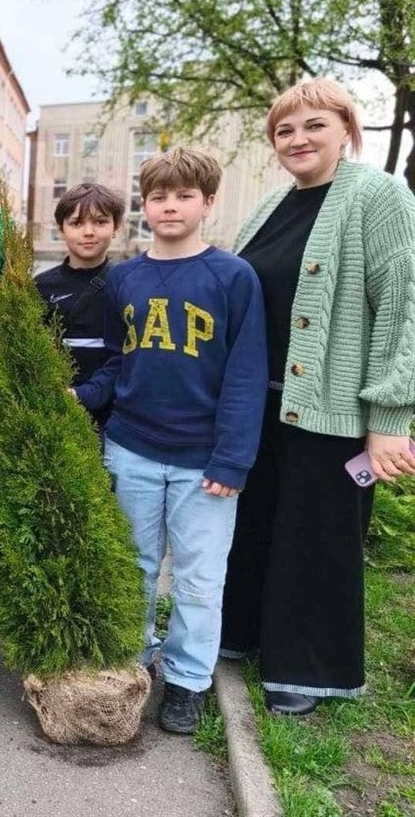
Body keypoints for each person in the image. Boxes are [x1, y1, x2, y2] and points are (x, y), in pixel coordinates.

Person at [220, 79, 415, 716]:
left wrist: (390, 417)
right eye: (285, 129)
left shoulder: (378, 196)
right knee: (254, 525)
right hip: (263, 403)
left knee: (316, 536)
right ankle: (242, 632)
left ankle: (306, 668)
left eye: (314, 125)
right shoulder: (271, 204)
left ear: (346, 130)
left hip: (333, 408)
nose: (298, 139)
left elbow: (403, 308)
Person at [74, 147, 267, 735]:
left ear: (208, 203)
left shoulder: (233, 277)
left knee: (198, 578)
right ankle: (133, 659)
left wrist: (232, 460)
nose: (170, 206)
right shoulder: (124, 278)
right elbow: (117, 360)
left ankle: (188, 679)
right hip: (131, 447)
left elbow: (246, 375)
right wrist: (81, 396)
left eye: (184, 196)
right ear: (144, 204)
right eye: (159, 196)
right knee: (131, 563)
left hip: (203, 461)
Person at [34, 182, 125, 427]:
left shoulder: (127, 283)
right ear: (61, 229)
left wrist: (87, 394)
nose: (88, 232)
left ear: (116, 227)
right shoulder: (42, 286)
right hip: (55, 409)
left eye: (100, 222)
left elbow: (128, 356)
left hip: (113, 415)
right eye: (76, 223)